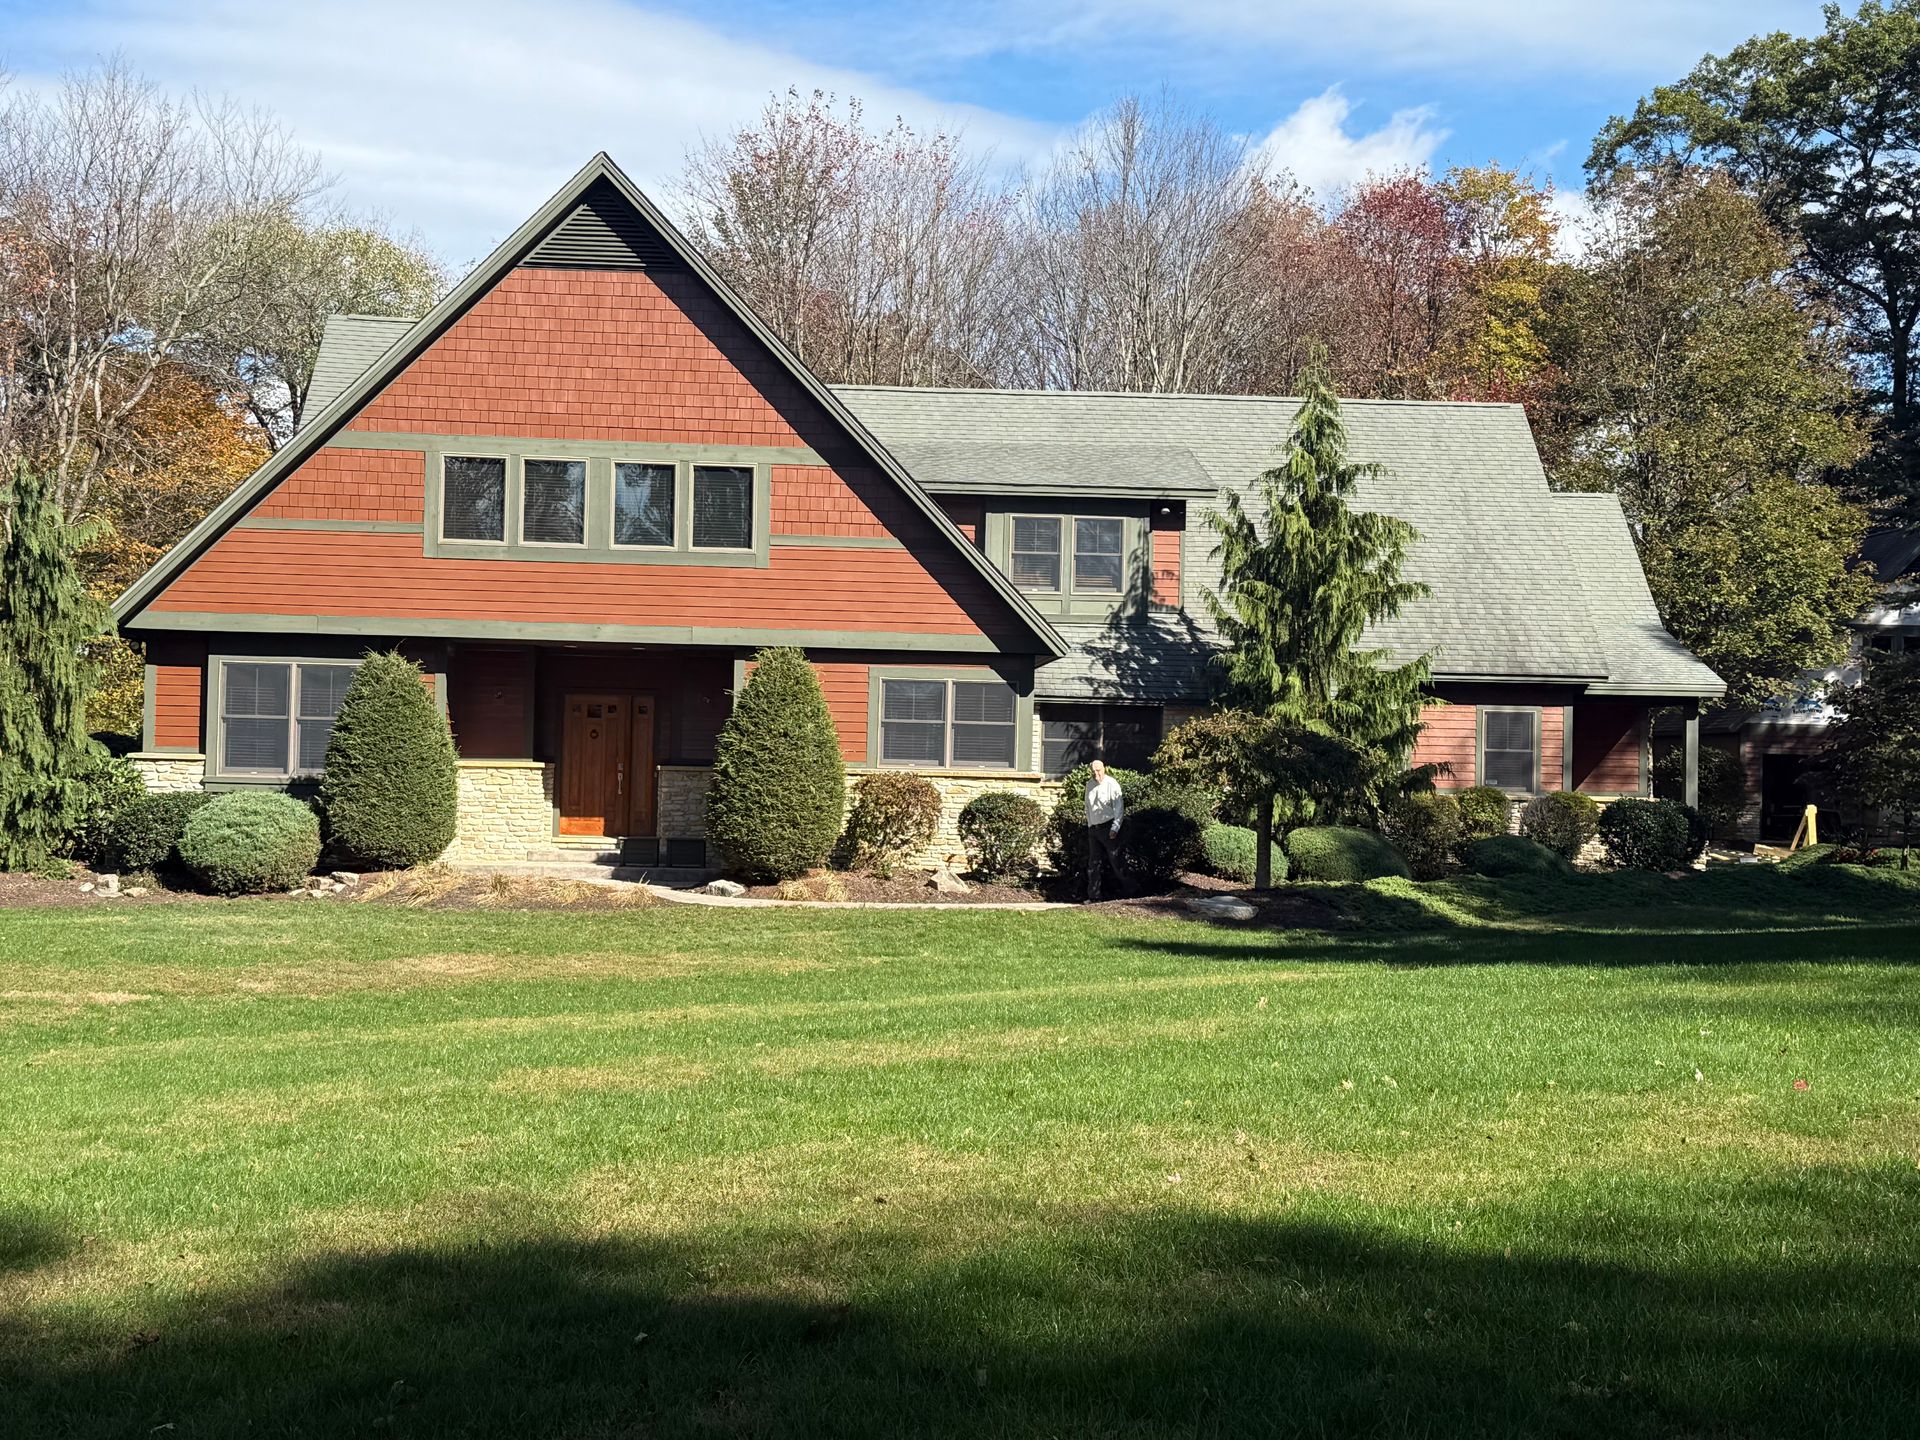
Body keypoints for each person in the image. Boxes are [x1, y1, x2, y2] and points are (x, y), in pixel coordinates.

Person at [1083, 758, 1126, 901]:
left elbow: (1118, 806)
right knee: (1093, 865)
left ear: (1104, 769)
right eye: (1093, 771)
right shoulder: (1089, 784)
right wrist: (1090, 825)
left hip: (1108, 828)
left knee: (1117, 863)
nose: (1096, 774)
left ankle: (1131, 893)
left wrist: (1115, 827)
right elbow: (1087, 806)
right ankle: (1094, 897)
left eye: (1098, 771)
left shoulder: (1111, 784)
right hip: (1094, 829)